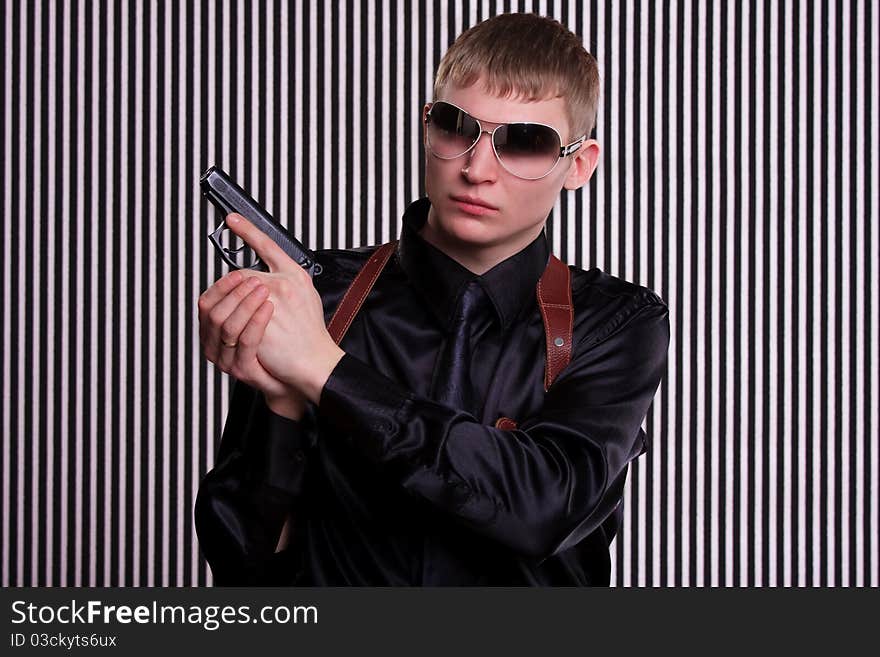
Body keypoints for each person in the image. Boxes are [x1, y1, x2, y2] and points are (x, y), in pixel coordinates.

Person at [195, 13, 669, 586]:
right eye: (455, 127)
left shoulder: (614, 322)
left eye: (524, 142)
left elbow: (543, 508)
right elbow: (239, 564)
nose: (475, 169)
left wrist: (324, 372)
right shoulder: (317, 298)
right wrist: (281, 407)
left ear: (579, 166)